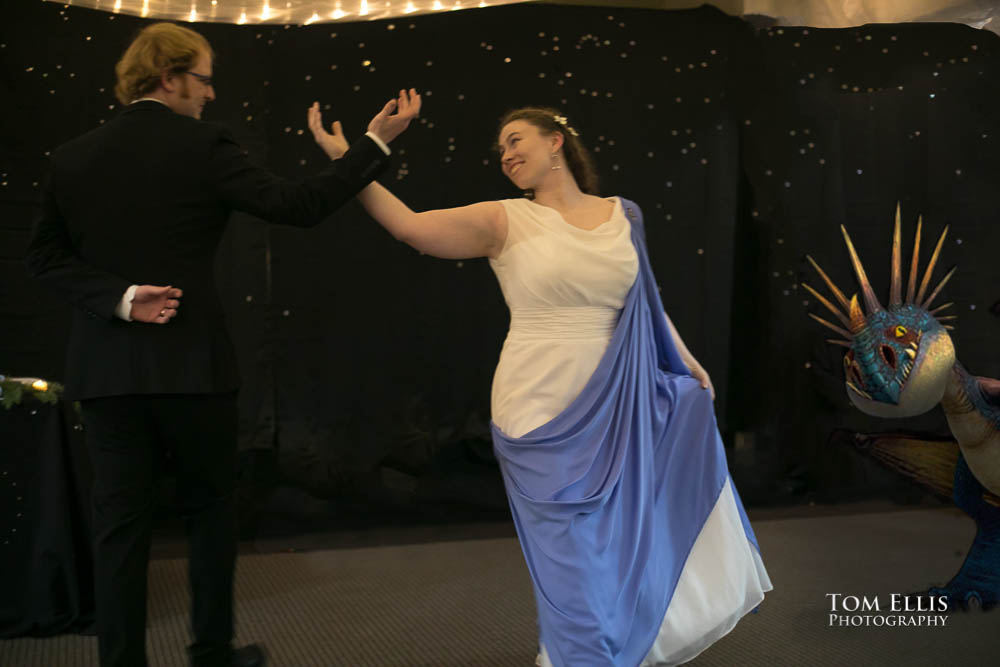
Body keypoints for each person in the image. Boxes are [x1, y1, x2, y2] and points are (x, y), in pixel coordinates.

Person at [309, 98, 771, 666]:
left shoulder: (624, 214)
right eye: (500, 148)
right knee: (568, 556)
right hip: (539, 405)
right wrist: (353, 158)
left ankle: (602, 650)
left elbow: (644, 302)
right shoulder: (506, 218)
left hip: (619, 405)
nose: (506, 155)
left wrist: (686, 361)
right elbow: (410, 229)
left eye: (515, 140)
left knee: (615, 546)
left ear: (556, 142)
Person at [24, 22, 419, 667]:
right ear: (170, 76)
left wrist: (120, 298)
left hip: (106, 375)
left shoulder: (72, 157)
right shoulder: (205, 145)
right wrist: (373, 143)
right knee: (210, 515)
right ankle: (211, 655)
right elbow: (297, 206)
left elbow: (42, 259)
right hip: (192, 368)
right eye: (204, 79)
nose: (210, 94)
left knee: (120, 529)